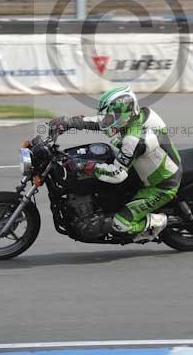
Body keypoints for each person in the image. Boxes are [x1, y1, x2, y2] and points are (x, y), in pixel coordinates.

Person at [50, 86, 182, 242]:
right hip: (145, 166)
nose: (108, 120)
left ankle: (159, 221)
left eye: (112, 117)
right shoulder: (138, 115)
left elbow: (117, 174)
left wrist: (87, 166)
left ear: (124, 115)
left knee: (120, 224)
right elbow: (103, 122)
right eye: (109, 116)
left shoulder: (134, 139)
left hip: (161, 184)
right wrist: (69, 122)